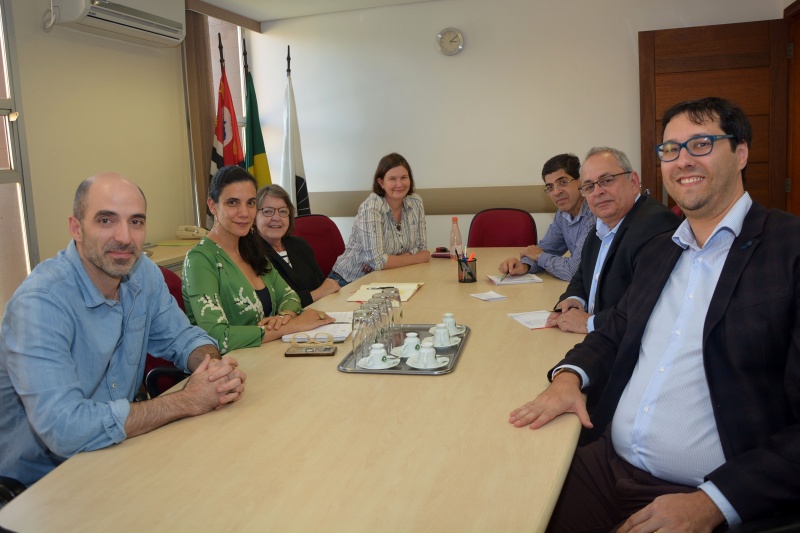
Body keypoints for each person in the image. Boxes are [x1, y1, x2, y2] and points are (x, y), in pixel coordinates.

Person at [509, 97, 800, 531]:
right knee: (512, 499)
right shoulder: (665, 250)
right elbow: (615, 330)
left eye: (701, 144)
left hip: (701, 494)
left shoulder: (788, 249)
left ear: (741, 153)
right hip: (607, 460)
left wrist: (714, 503)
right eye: (670, 149)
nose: (683, 160)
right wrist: (568, 377)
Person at [0, 172, 246, 488]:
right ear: (76, 228)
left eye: (136, 222)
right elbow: (64, 429)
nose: (125, 237)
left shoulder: (142, 273)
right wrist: (185, 401)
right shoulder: (40, 304)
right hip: (42, 484)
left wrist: (212, 369)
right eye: (106, 221)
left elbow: (183, 338)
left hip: (121, 454)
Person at [182, 166, 333, 353]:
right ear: (213, 206)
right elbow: (218, 337)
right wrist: (290, 326)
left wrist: (284, 316)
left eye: (251, 203)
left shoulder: (251, 248)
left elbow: (289, 296)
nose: (244, 212)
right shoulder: (200, 260)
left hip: (269, 353)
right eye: (232, 203)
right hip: (234, 367)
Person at [545, 147, 680, 334]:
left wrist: (590, 323)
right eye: (589, 186)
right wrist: (574, 299)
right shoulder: (601, 226)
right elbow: (582, 275)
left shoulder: (656, 226)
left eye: (606, 181)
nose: (597, 192)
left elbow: (647, 309)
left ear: (633, 181)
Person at [328, 152, 430, 286]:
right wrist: (416, 258)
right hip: (349, 281)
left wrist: (388, 261)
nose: (399, 184)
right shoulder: (371, 208)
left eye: (404, 177)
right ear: (381, 182)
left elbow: (422, 247)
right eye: (392, 179)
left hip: (386, 277)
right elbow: (377, 261)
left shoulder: (416, 202)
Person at [498, 153, 595, 281]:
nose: (556, 192)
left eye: (563, 182)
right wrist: (525, 265)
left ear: (580, 182)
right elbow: (546, 248)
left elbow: (574, 271)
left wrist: (538, 256)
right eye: (550, 187)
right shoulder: (562, 214)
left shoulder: (594, 215)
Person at [255, 184, 341, 307]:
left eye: (283, 211)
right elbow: (274, 304)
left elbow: (324, 284)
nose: (276, 218)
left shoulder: (300, 245)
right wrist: (317, 294)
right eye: (268, 211)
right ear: (254, 217)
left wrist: (324, 291)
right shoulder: (252, 254)